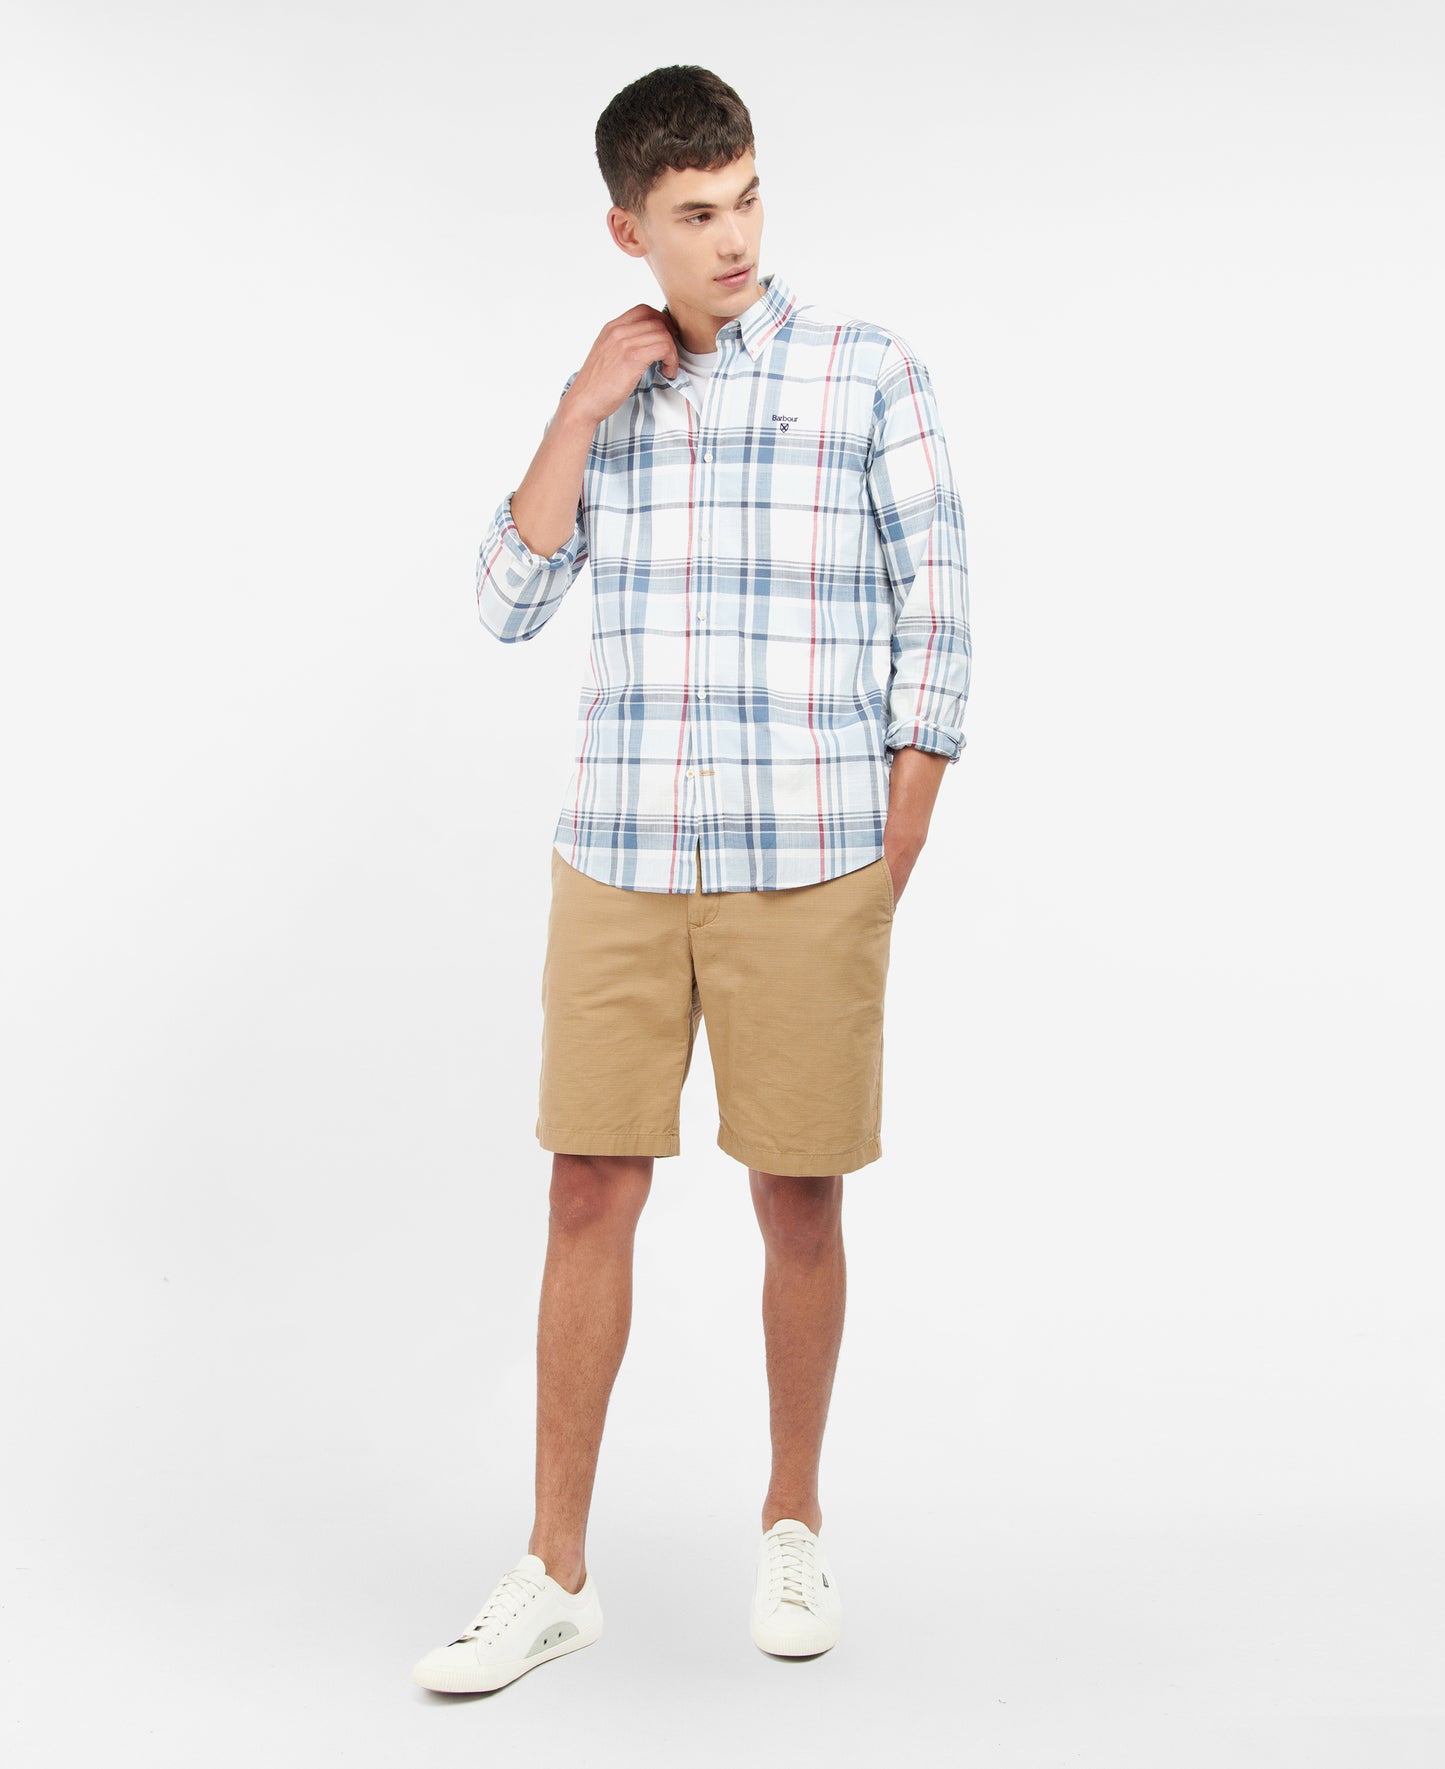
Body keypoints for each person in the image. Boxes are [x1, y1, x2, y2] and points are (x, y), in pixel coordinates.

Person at [413, 63, 970, 1695]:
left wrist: (890, 847)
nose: (732, 238)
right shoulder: (614, 392)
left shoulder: (867, 373)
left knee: (798, 1194)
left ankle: (792, 1519)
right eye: (693, 213)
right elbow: (506, 600)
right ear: (627, 230)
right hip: (622, 853)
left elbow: (938, 620)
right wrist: (575, 408)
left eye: (744, 198)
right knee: (587, 1186)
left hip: (808, 859)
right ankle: (554, 1569)